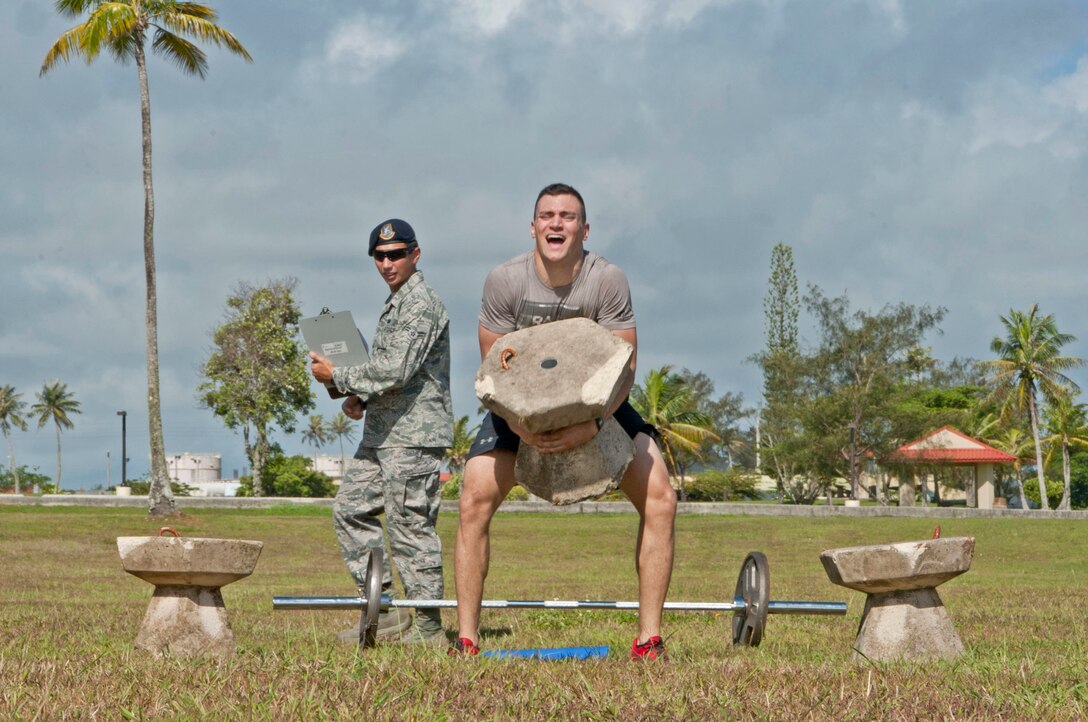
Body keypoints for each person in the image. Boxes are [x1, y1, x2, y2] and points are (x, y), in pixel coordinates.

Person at [450, 183, 677, 660]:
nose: (557, 224)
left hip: (599, 409)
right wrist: (524, 426)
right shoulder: (504, 281)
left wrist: (592, 427)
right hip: (520, 411)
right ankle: (466, 639)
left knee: (661, 495)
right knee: (473, 493)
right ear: (533, 227)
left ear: (584, 228)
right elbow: (492, 369)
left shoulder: (607, 279)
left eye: (568, 216)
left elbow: (626, 368)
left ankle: (648, 640)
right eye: (547, 216)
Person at [309, 218, 453, 646]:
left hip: (413, 436)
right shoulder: (396, 304)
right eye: (380, 256)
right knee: (350, 510)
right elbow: (392, 374)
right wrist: (358, 397)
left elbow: (395, 369)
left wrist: (339, 373)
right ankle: (384, 611)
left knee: (411, 528)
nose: (388, 263)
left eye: (396, 254)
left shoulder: (421, 303)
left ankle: (428, 630)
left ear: (415, 254)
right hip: (381, 433)